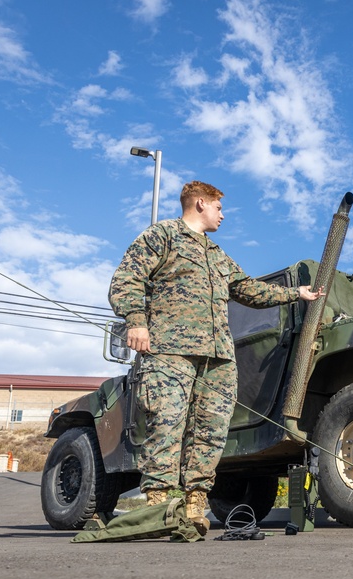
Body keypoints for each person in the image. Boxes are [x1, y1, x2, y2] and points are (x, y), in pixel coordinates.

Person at [109, 180, 323, 536]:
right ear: (199, 203)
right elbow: (126, 279)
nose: (222, 214)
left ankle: (194, 506)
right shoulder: (162, 235)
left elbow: (248, 289)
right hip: (170, 350)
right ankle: (159, 508)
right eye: (218, 207)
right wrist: (136, 321)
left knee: (210, 431)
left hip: (218, 357)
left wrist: (295, 294)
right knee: (167, 425)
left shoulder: (216, 254)